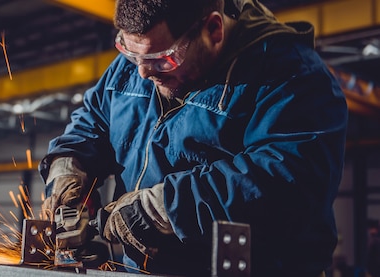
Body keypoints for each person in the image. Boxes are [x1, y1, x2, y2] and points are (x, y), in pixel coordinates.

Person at [39, 0, 348, 276]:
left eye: (163, 59)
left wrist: (163, 208)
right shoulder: (136, 64)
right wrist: (68, 170)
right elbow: (90, 124)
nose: (144, 73)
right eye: (130, 52)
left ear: (213, 30)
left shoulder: (291, 75)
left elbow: (287, 180)